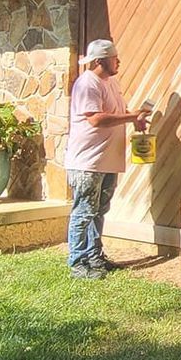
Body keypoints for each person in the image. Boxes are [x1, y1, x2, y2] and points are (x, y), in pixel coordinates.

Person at [64, 38, 150, 279]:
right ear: (101, 60)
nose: (118, 61)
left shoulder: (111, 82)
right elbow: (96, 119)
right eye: (114, 57)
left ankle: (95, 258)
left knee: (99, 210)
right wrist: (131, 116)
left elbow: (116, 112)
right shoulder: (87, 84)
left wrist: (135, 118)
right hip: (87, 161)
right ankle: (77, 263)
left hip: (107, 159)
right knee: (83, 211)